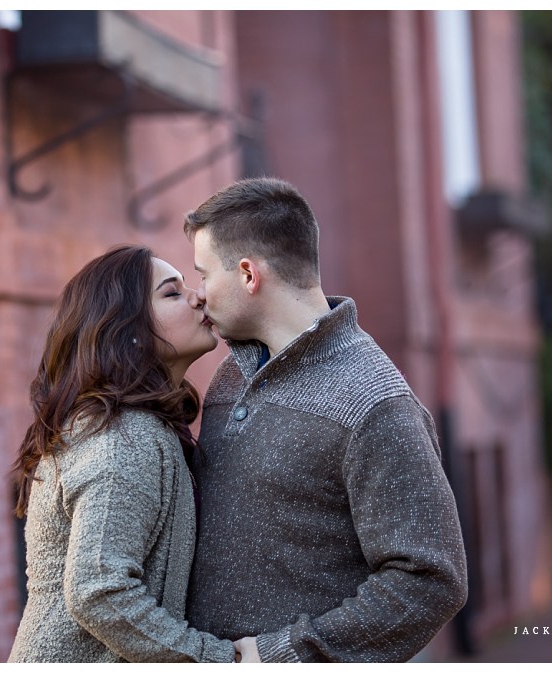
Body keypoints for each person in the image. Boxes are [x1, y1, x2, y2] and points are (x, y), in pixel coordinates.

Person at [182, 177, 468, 663]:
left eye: (204, 274)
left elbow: (432, 579)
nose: (198, 295)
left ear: (249, 274)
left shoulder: (375, 402)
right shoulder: (231, 376)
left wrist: (286, 655)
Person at [7, 244, 237, 663]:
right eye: (172, 293)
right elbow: (99, 589)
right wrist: (220, 660)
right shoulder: (122, 436)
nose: (198, 296)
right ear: (127, 329)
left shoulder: (136, 426)